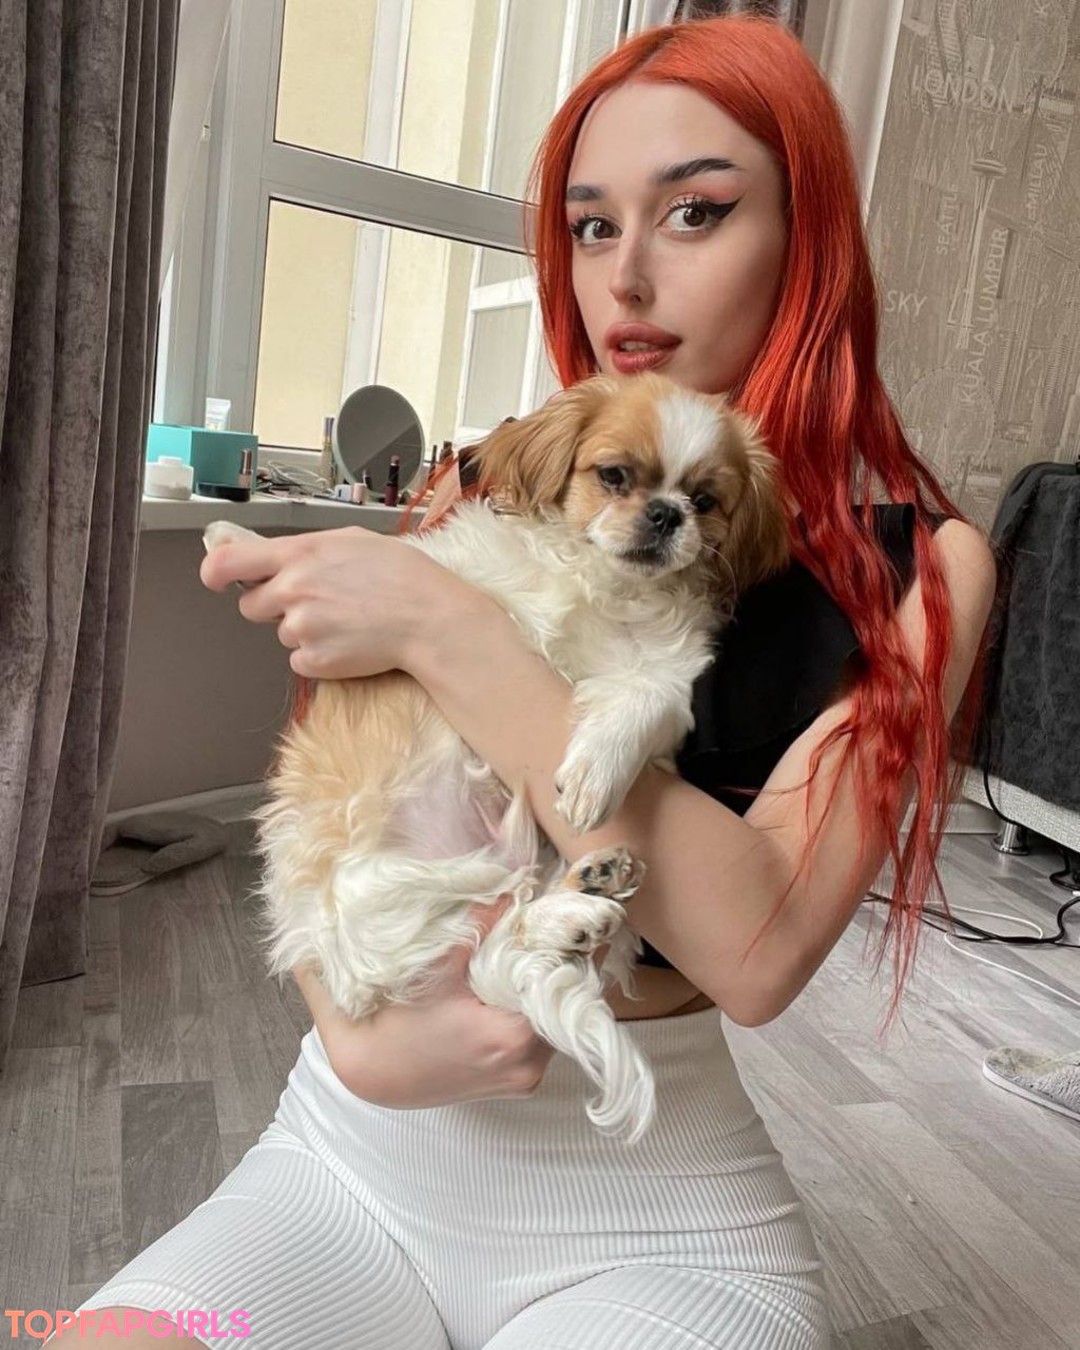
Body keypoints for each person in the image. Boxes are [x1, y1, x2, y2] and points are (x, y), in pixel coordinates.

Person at [55, 14, 996, 1349]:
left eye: (697, 211)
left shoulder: (919, 570)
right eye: (592, 225)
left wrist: (449, 627)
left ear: (810, 239)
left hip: (652, 1219)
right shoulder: (490, 477)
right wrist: (353, 1035)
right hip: (346, 1156)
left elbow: (757, 951)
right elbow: (330, 798)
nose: (627, 277)